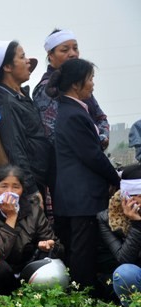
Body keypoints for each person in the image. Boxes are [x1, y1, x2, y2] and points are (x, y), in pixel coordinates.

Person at [46, 58, 119, 289]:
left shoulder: (71, 110)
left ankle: (83, 293)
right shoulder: (74, 114)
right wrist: (117, 180)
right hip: (81, 197)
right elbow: (93, 156)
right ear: (76, 85)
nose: (93, 84)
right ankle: (83, 297)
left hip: (75, 196)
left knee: (81, 248)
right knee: (83, 251)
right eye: (90, 79)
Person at [0, 41, 51, 200]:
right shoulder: (6, 102)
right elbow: (15, 149)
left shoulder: (19, 96)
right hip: (27, 186)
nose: (28, 61)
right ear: (7, 67)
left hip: (37, 179)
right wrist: (31, 189)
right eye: (22, 57)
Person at [0, 165, 62, 294]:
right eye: (4, 186)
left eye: (15, 187)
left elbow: (57, 246)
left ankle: (38, 297)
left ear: (22, 190)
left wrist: (48, 246)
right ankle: (4, 300)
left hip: (27, 265)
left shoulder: (33, 210)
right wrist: (11, 217)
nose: (9, 192)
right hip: (3, 271)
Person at [33, 29, 109, 151]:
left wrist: (103, 136)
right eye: (65, 50)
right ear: (50, 55)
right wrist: (89, 146)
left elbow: (101, 117)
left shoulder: (80, 83)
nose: (73, 54)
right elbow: (53, 133)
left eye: (75, 48)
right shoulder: (46, 88)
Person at [98, 164, 141, 307]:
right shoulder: (107, 218)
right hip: (136, 274)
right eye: (136, 195)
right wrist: (137, 225)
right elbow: (124, 259)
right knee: (124, 273)